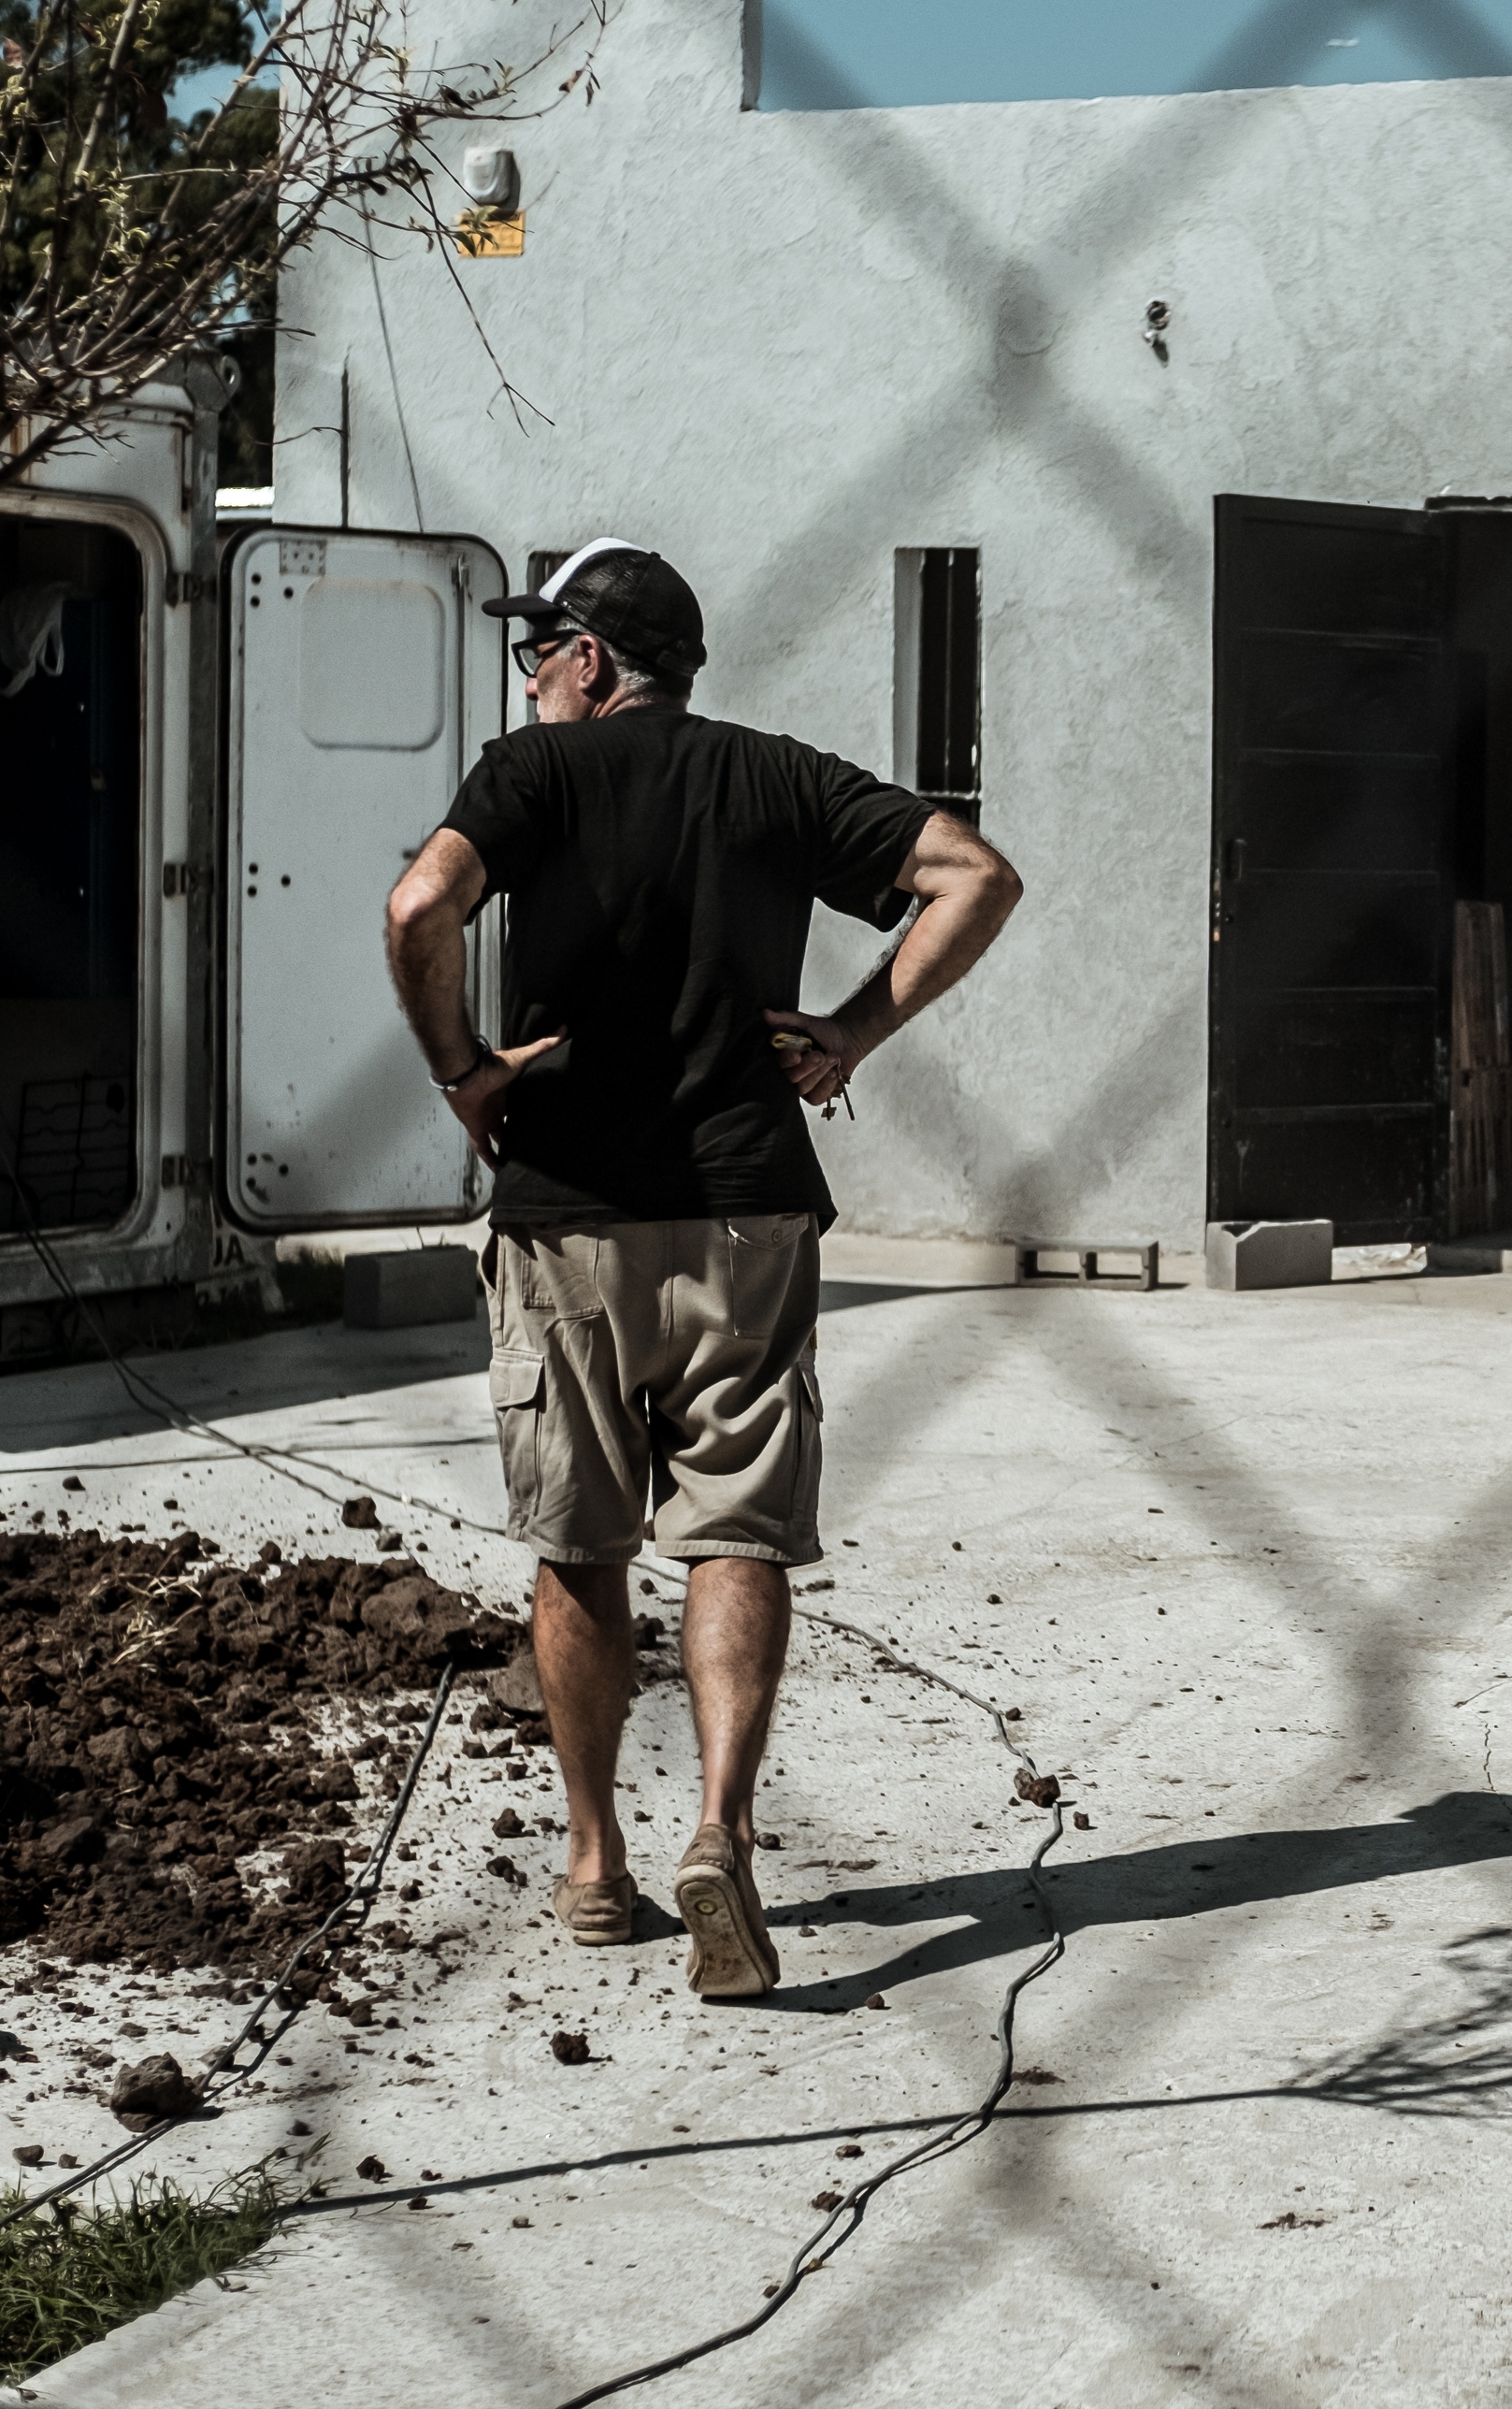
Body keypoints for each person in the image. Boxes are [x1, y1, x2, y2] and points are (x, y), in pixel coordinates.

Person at [381, 539, 1021, 1998]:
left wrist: (464, 1071)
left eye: (537, 652)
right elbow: (975, 876)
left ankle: (597, 1862)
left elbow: (421, 909)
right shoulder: (779, 776)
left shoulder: (530, 776)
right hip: (748, 1214)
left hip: (571, 1216)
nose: (530, 679)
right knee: (735, 1532)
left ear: (589, 660)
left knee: (579, 1546)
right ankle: (722, 1831)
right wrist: (850, 1032)